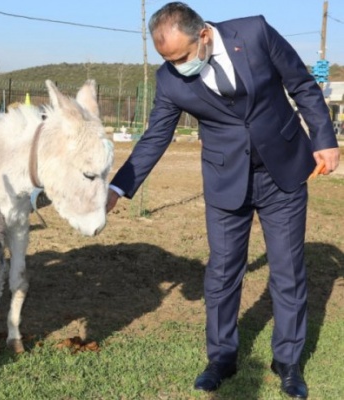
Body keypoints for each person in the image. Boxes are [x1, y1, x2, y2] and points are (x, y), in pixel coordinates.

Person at [106, 2, 339, 399]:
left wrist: (325, 140)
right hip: (225, 180)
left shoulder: (254, 33)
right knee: (223, 273)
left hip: (282, 171)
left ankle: (287, 362)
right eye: (168, 60)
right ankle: (222, 358)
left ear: (204, 35)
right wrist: (115, 188)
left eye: (181, 57)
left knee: (287, 272)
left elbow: (301, 84)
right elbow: (155, 137)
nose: (177, 67)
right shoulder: (169, 80)